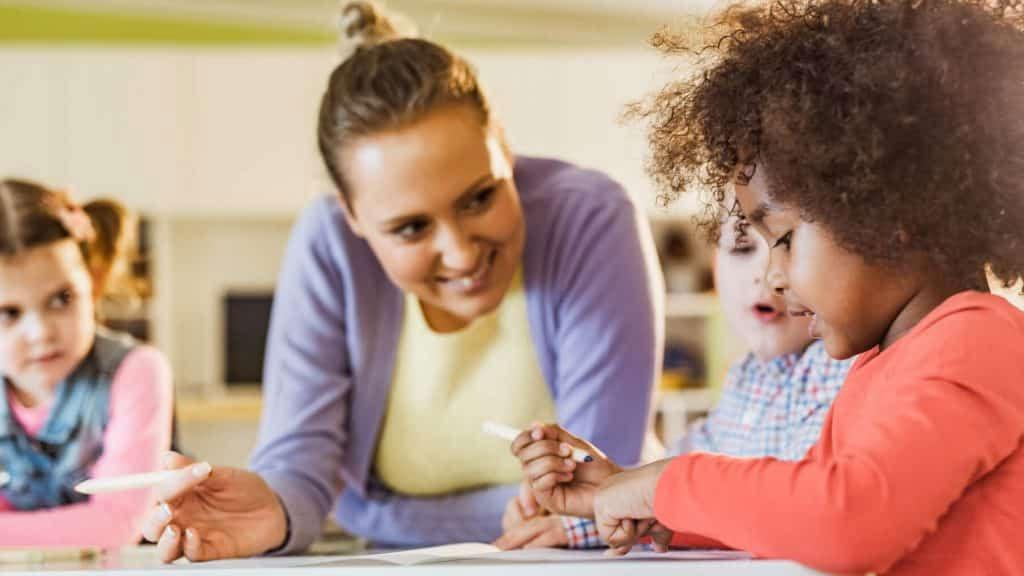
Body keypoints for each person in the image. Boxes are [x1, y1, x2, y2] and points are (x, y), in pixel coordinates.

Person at [513, 0, 1024, 573]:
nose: (772, 276)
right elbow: (799, 513)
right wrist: (649, 505)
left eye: (781, 238)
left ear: (888, 217)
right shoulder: (883, 363)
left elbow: (847, 521)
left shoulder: (977, 343)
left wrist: (669, 482)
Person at [141, 0, 662, 562]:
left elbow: (589, 486)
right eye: (411, 228)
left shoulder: (589, 218)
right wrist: (274, 508)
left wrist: (380, 513)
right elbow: (298, 468)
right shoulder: (327, 245)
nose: (461, 254)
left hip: (580, 557)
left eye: (480, 197)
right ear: (353, 217)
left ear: (504, 149)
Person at [497, 211, 852, 550]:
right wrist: (593, 502)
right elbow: (675, 481)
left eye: (789, 245)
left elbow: (778, 509)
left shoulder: (838, 367)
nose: (764, 272)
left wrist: (609, 504)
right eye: (742, 248)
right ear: (714, 265)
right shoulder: (747, 377)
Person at [0, 179, 172, 547]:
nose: (40, 332)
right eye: (8, 313)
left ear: (92, 284)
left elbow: (120, 522)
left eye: (61, 298)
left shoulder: (136, 372)